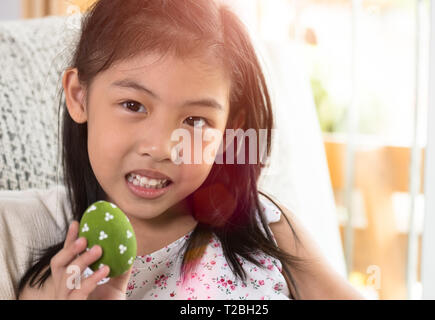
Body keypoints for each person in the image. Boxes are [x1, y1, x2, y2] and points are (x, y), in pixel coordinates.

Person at [17, 0, 363, 300]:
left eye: (195, 121)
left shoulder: (268, 228)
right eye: (133, 105)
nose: (162, 147)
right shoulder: (57, 280)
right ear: (80, 96)